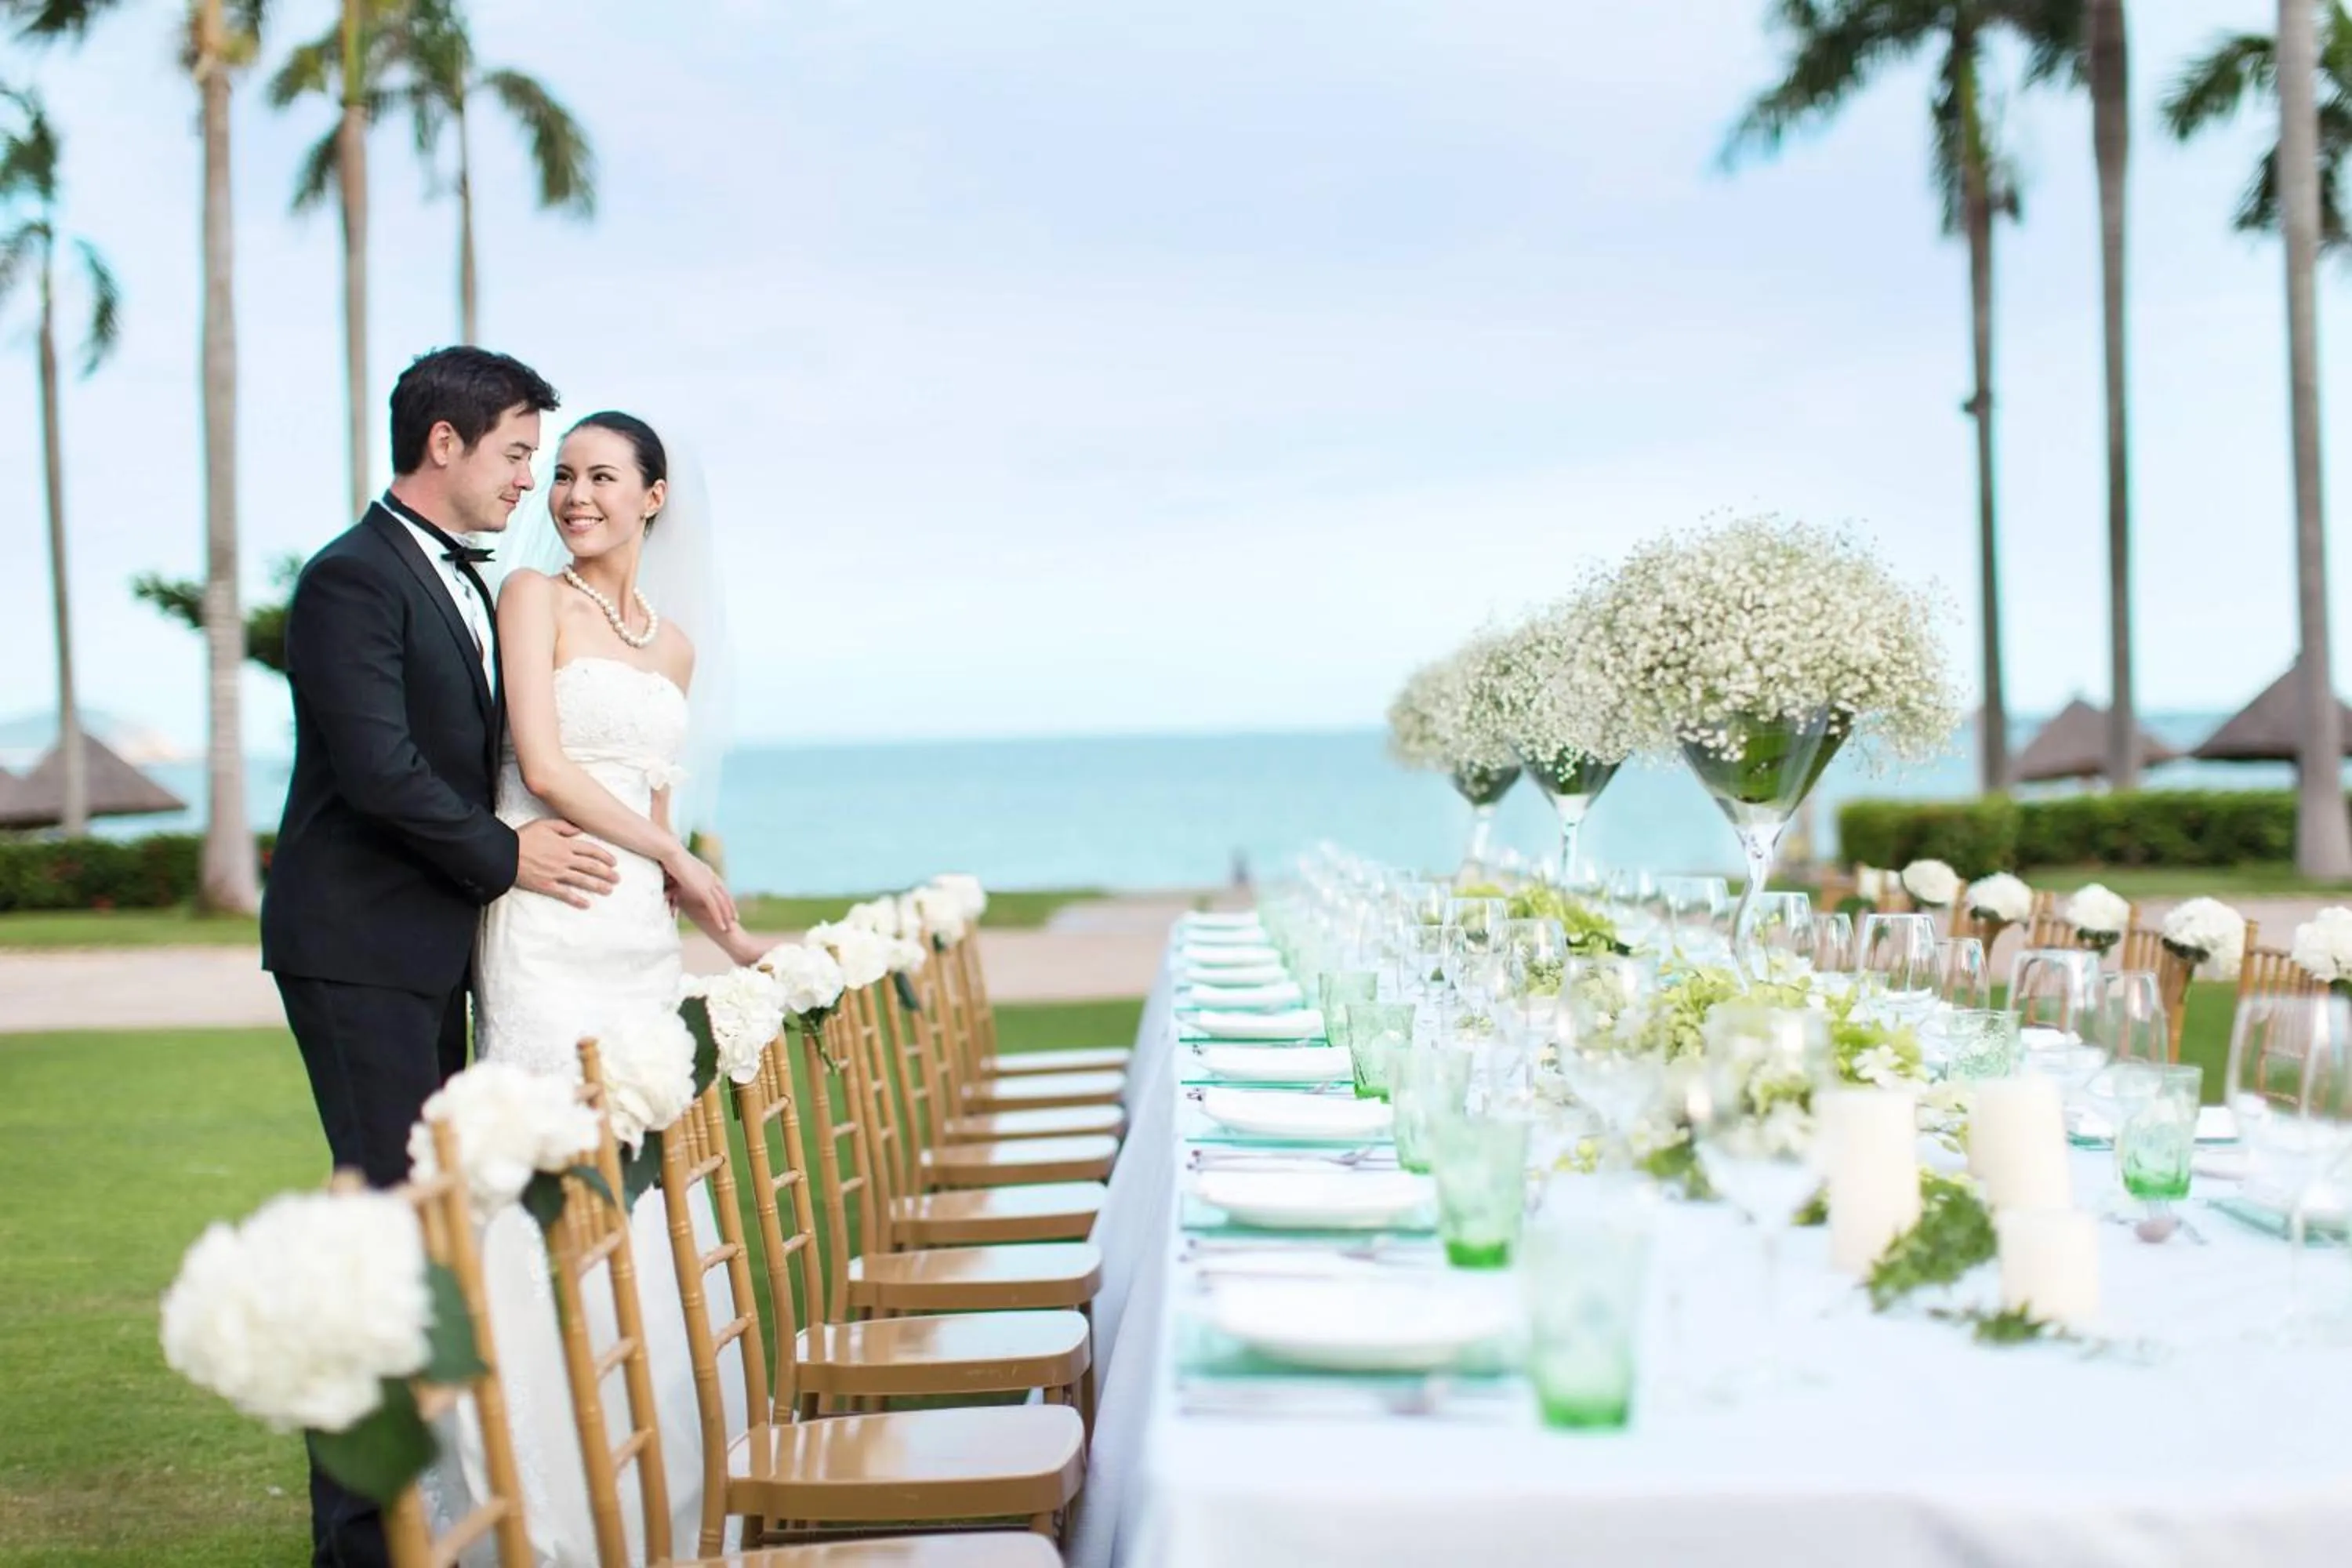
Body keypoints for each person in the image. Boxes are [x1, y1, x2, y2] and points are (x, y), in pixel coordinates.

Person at [263, 347, 621, 1568]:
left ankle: (421, 1510)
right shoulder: (351, 580)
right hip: (357, 945)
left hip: (427, 949)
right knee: (380, 1228)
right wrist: (509, 858)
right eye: (520, 453)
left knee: (424, 1224)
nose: (534, 479)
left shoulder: (462, 582)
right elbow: (376, 771)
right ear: (446, 446)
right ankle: (360, 1542)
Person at [445, 408, 763, 1563]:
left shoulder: (674, 646)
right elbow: (542, 765)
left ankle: (665, 1492)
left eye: (601, 477)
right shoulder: (533, 598)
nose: (573, 494)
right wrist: (667, 853)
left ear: (654, 497)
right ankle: (541, 1508)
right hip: (547, 916)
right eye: (562, 474)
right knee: (548, 1169)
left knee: (647, 1190)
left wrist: (715, 921)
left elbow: (661, 810)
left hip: (636, 939)